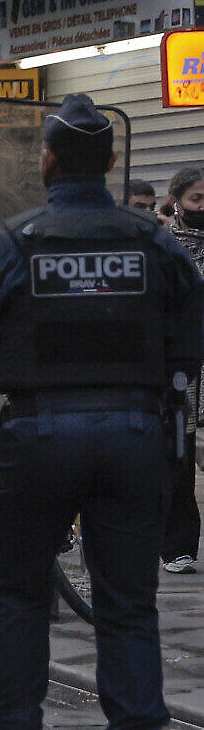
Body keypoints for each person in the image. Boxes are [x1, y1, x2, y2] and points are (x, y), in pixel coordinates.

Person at [0, 93, 204, 730]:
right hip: (132, 436)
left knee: (18, 596)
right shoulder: (153, 244)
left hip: (39, 436)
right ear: (113, 163)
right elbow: (190, 336)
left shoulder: (15, 241)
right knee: (127, 607)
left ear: (47, 160)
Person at [163, 167, 204, 574]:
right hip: (183, 371)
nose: (203, 208)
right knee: (179, 460)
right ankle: (178, 546)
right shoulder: (163, 246)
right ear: (176, 201)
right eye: (197, 200)